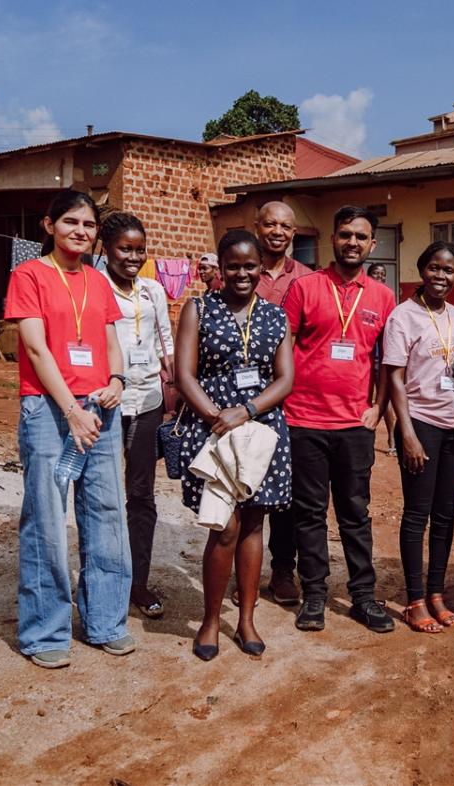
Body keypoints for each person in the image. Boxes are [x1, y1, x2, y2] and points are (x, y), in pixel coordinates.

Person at [4, 190, 133, 669]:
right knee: (47, 520)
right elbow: (36, 350)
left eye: (89, 224)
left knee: (105, 513)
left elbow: (111, 342)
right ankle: (45, 632)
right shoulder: (29, 275)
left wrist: (117, 379)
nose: (81, 231)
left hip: (99, 408)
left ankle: (106, 622)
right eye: (71, 222)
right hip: (49, 409)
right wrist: (70, 411)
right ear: (49, 225)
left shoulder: (99, 282)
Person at [174, 230, 294, 661]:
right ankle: (209, 620)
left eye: (249, 266)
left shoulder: (276, 316)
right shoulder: (199, 308)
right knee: (223, 525)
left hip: (262, 429)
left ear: (262, 267)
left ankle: (245, 618)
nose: (241, 274)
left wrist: (244, 410)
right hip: (212, 429)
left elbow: (285, 379)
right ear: (219, 268)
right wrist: (214, 418)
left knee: (254, 524)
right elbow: (185, 374)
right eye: (233, 266)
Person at [282, 205, 397, 633]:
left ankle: (363, 597)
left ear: (372, 244)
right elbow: (284, 348)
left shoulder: (383, 297)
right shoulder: (305, 287)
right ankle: (314, 595)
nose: (352, 242)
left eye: (361, 236)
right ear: (333, 238)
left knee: (355, 512)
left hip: (354, 425)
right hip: (304, 421)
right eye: (345, 234)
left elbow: (388, 363)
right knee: (308, 513)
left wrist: (378, 408)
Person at [383, 241, 454, 632]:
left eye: (449, 270)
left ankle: (436, 592)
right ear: (422, 269)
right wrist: (407, 433)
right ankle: (415, 599)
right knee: (417, 514)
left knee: (446, 514)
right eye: (434, 267)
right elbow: (395, 379)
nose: (441, 276)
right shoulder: (403, 317)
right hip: (421, 423)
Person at [100, 211, 174, 620]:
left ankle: (138, 583)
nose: (133, 257)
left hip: (147, 403)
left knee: (141, 495)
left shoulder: (153, 291)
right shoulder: (95, 287)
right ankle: (106, 578)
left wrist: (173, 387)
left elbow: (166, 341)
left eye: (139, 250)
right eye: (124, 249)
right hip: (108, 403)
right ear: (107, 249)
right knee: (104, 495)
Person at [251, 201, 313, 607]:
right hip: (242, 395)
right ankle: (244, 571)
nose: (277, 231)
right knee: (246, 483)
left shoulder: (308, 278)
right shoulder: (238, 267)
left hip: (292, 396)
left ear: (294, 233)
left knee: (285, 491)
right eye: (270, 224)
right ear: (257, 227)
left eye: (285, 226)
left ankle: (282, 571)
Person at [367, 262, 399, 455]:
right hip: (364, 359)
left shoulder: (388, 297)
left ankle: (392, 437)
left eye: (382, 274)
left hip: (382, 358)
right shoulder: (363, 295)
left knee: (384, 399)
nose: (379, 277)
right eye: (375, 273)